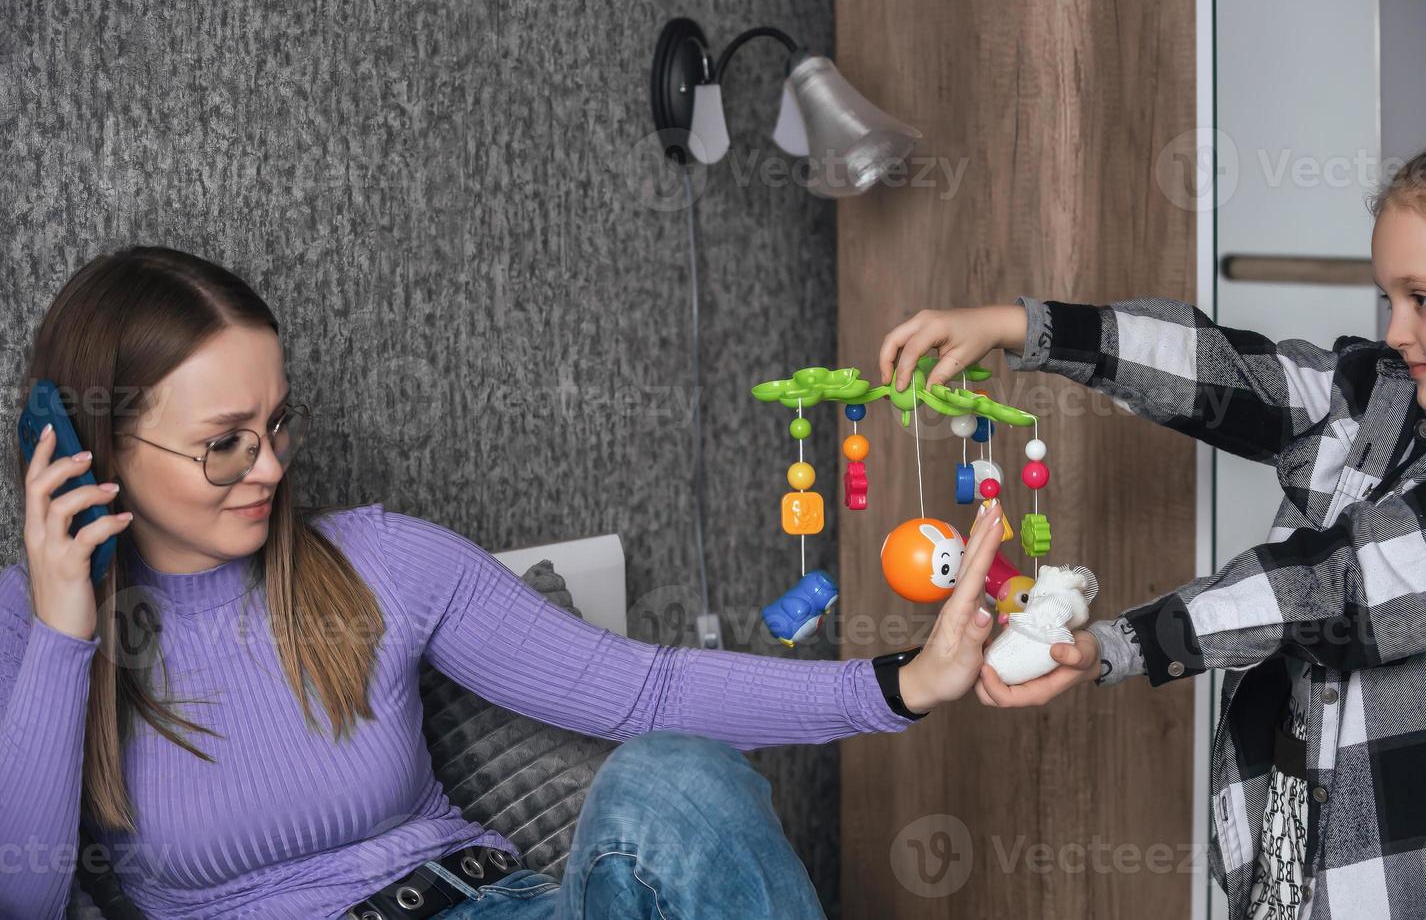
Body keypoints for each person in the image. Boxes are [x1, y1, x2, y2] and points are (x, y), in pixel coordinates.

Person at [0, 247, 1007, 919]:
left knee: (675, 772)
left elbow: (643, 687)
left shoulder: (378, 561)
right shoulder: (33, 633)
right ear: (89, 449)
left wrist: (905, 682)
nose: (269, 466)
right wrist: (62, 623)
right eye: (224, 443)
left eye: (277, 424)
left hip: (498, 901)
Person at [878, 131, 1426, 920]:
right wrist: (1022, 327)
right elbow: (1230, 372)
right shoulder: (1380, 390)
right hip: (1291, 822)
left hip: (1402, 873)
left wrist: (1128, 642)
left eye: (1421, 299)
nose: (1396, 329)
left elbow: (1335, 586)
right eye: (1387, 299)